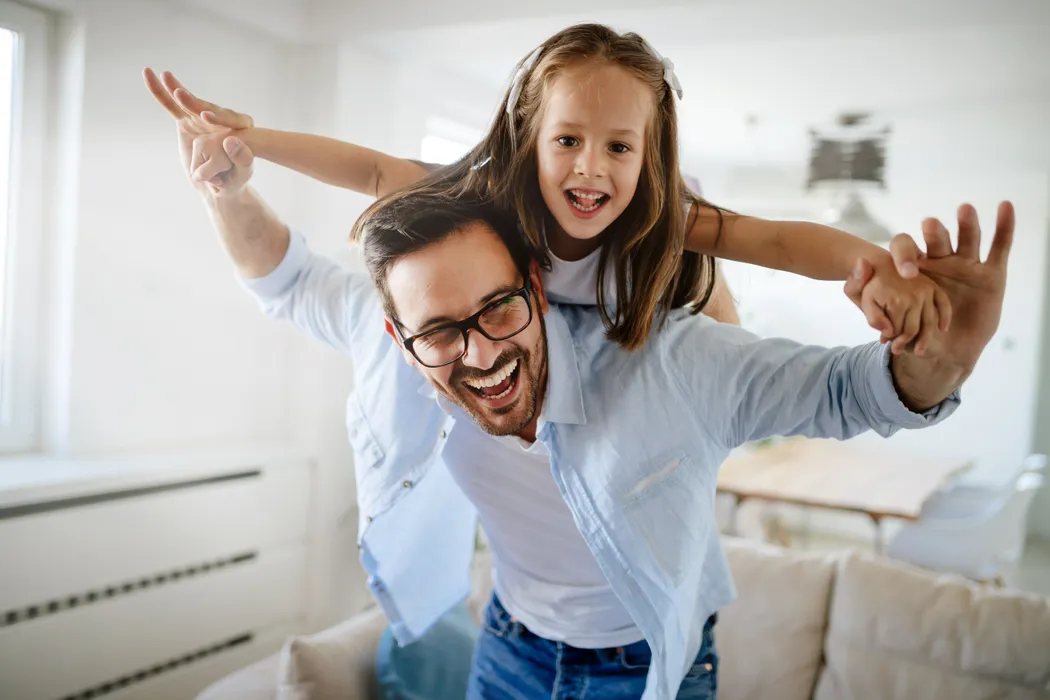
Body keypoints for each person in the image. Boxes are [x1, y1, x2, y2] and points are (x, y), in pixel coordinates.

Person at [145, 57, 1012, 698]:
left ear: (534, 286)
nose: (477, 352)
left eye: (497, 312)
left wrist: (927, 344)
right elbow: (289, 274)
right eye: (440, 332)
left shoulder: (669, 336)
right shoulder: (434, 282)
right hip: (511, 646)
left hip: (648, 664)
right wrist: (231, 169)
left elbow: (838, 376)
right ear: (397, 333)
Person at [151, 22, 949, 356]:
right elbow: (373, 171)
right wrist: (248, 140)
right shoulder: (497, 195)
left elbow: (772, 237)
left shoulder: (658, 211)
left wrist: (873, 266)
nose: (588, 169)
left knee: (713, 313)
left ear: (648, 153)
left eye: (618, 147)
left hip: (658, 291)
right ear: (529, 137)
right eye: (566, 139)